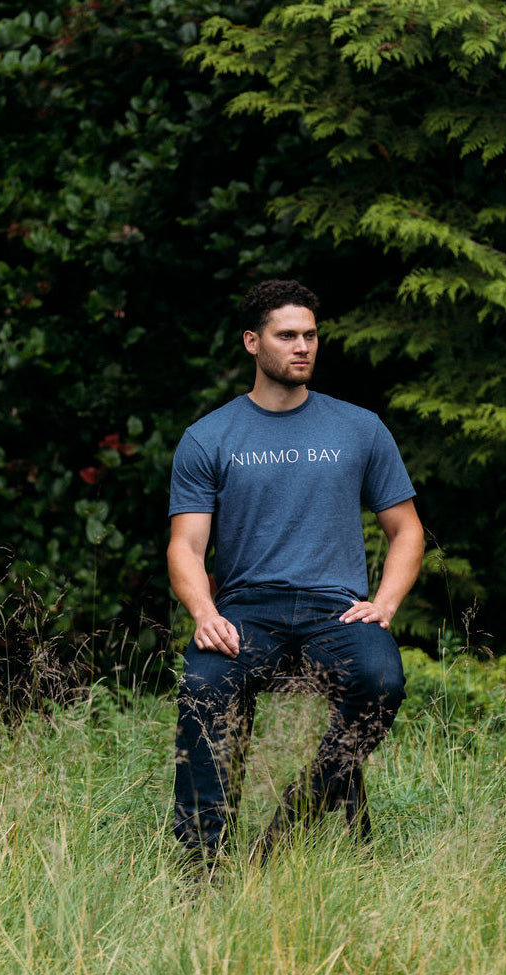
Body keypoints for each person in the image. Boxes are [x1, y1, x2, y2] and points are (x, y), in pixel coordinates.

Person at [167, 279, 425, 868]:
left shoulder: (359, 428)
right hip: (247, 609)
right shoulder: (209, 437)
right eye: (287, 336)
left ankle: (295, 820)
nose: (303, 346)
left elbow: (406, 530)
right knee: (204, 686)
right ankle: (203, 869)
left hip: (335, 608)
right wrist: (205, 616)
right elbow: (185, 547)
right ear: (253, 343)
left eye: (310, 335)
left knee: (381, 680)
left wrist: (384, 603)